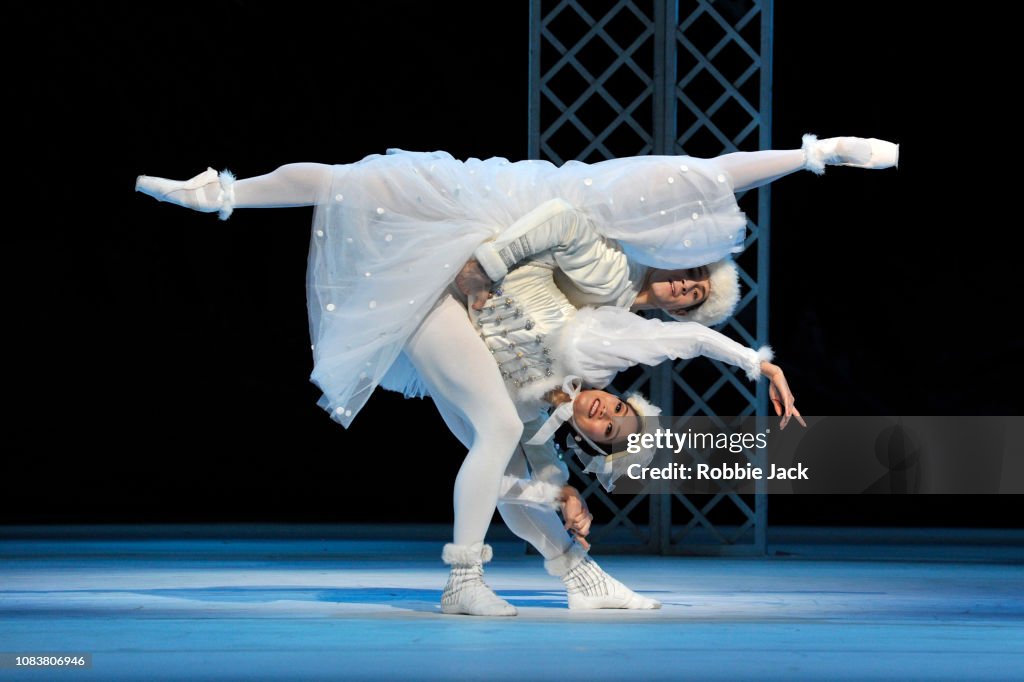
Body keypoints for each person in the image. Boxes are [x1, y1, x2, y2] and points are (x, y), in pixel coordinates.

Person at [134, 134, 895, 615]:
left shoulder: (611, 341)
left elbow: (673, 347)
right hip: (473, 232)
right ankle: (227, 192)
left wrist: (561, 487)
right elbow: (700, 179)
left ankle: (578, 578)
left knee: (512, 452)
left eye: (698, 293)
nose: (688, 285)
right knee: (361, 180)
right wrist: (813, 157)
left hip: (460, 315)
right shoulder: (610, 259)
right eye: (691, 272)